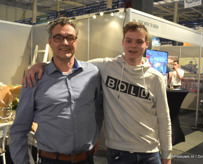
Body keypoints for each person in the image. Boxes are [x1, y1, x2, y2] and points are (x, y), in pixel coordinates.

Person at [24, 21, 172, 164]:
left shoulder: (155, 78)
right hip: (118, 152)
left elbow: (164, 119)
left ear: (146, 44)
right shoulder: (106, 66)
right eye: (129, 40)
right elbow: (69, 63)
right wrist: (43, 65)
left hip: (150, 152)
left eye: (139, 41)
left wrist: (167, 155)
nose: (133, 45)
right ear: (122, 42)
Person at [9, 17, 103, 164]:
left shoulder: (93, 73)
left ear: (76, 41)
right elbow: (19, 129)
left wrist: (96, 136)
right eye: (58, 37)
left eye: (70, 38)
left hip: (87, 159)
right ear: (50, 41)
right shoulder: (34, 79)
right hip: (51, 160)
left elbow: (98, 108)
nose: (65, 43)